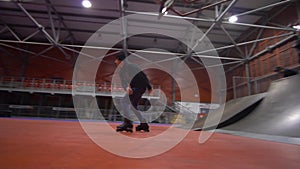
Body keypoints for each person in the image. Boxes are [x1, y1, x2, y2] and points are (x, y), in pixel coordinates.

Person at [114, 51, 152, 132]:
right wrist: (127, 88)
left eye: (116, 60)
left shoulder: (132, 66)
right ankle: (144, 124)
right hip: (133, 88)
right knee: (133, 106)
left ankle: (128, 123)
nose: (115, 62)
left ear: (121, 60)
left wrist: (149, 87)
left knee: (124, 101)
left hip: (140, 87)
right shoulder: (121, 72)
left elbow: (143, 76)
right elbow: (124, 83)